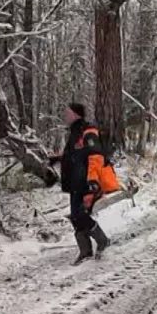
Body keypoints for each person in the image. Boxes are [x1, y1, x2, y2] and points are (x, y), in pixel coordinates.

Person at [51, 103, 110, 265]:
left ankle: (103, 240)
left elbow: (95, 156)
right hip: (74, 184)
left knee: (81, 215)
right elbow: (73, 155)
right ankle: (85, 251)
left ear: (76, 115)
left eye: (68, 113)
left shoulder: (88, 131)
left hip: (86, 183)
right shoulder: (74, 133)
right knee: (76, 218)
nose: (65, 115)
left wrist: (93, 180)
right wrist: (57, 159)